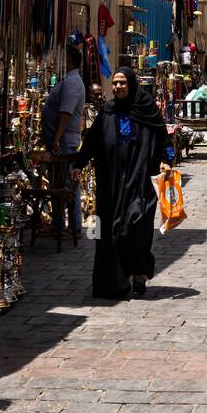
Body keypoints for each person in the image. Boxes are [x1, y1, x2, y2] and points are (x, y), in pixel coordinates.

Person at [72, 68, 172, 299]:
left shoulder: (146, 108)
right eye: (115, 84)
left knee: (135, 225)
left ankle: (138, 271)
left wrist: (167, 159)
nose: (117, 87)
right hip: (111, 181)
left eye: (122, 83)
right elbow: (92, 141)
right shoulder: (107, 111)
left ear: (131, 84)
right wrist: (79, 163)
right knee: (111, 230)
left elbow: (163, 135)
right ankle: (117, 281)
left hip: (140, 179)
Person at [41, 40, 86, 233]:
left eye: (61, 59)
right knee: (59, 183)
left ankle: (73, 226)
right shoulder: (68, 81)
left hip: (64, 143)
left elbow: (65, 112)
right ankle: (59, 223)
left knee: (67, 185)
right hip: (60, 142)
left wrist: (57, 138)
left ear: (68, 61)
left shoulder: (72, 83)